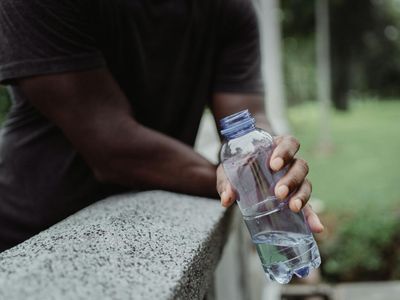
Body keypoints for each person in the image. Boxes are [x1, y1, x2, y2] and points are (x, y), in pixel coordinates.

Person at [0, 0, 323, 252]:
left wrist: (271, 163)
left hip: (150, 228)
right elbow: (112, 147)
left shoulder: (227, 8)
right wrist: (234, 179)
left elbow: (246, 123)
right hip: (31, 238)